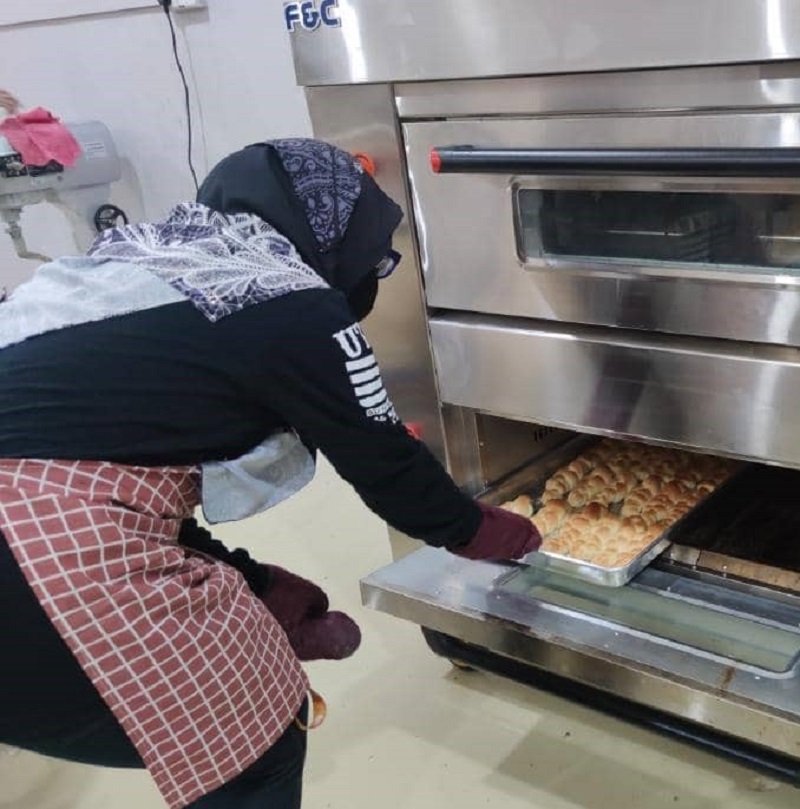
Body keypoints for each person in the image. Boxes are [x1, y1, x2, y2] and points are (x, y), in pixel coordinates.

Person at [0, 138, 540, 808]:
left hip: (43, 529)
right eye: (376, 256)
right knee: (253, 736)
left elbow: (101, 476)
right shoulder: (289, 297)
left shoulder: (151, 258)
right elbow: (386, 460)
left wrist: (256, 583)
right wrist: (488, 533)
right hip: (37, 560)